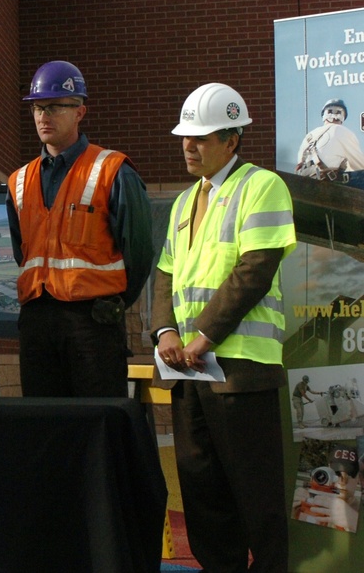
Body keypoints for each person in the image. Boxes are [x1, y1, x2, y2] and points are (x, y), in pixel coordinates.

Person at [151, 82, 296, 572]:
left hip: (241, 372)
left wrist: (203, 336)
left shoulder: (262, 186)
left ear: (232, 139)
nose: (189, 146)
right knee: (204, 501)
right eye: (185, 136)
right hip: (190, 371)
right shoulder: (183, 202)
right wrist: (164, 334)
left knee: (258, 503)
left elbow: (255, 270)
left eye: (202, 137)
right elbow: (165, 275)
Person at [5, 60, 153, 398]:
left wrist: (112, 303)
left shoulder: (112, 170)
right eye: (38, 107)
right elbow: (21, 252)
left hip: (93, 321)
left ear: (80, 112)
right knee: (45, 428)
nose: (44, 115)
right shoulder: (18, 181)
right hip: (37, 321)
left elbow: (140, 253)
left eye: (55, 106)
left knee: (97, 423)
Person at [295, 98, 364, 188]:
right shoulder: (342, 131)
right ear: (343, 117)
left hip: (304, 183)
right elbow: (360, 165)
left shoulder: (310, 135)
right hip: (327, 182)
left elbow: (299, 164)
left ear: (324, 115)